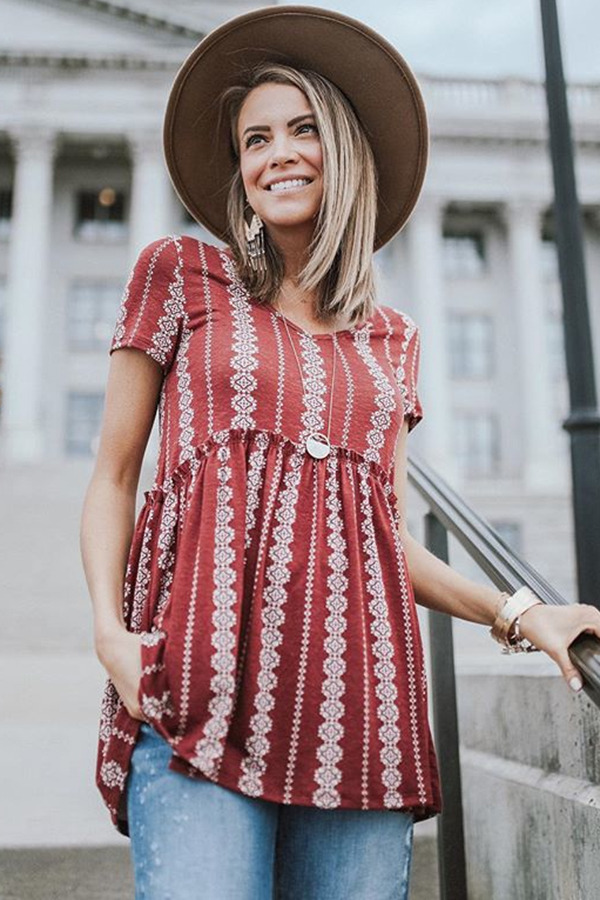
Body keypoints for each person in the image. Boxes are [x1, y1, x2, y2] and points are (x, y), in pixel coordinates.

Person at [80, 6, 600, 899]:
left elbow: (387, 539)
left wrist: (519, 613)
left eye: (303, 129)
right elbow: (114, 476)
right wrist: (110, 635)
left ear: (345, 152)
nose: (277, 152)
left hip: (358, 715)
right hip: (199, 691)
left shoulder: (390, 340)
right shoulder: (178, 276)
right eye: (255, 139)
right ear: (241, 172)